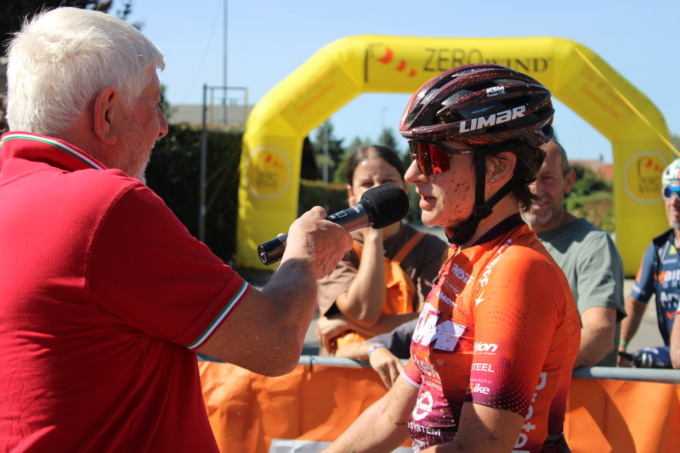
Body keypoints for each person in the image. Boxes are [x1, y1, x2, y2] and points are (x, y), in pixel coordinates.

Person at [0, 8, 352, 451]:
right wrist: (303, 254)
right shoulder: (106, 205)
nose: (163, 126)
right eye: (154, 103)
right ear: (106, 112)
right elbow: (275, 342)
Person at [325, 63, 581, 453]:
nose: (412, 174)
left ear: (497, 168)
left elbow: (479, 448)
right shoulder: (464, 259)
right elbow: (392, 415)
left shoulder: (516, 269)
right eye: (414, 153)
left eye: (433, 156)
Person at [316, 145, 448, 355]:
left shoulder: (432, 249)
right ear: (351, 194)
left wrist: (347, 323)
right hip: (341, 371)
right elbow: (364, 312)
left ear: (403, 189)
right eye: (367, 184)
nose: (376, 191)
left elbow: (431, 324)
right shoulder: (333, 248)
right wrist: (373, 235)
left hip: (404, 370)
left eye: (387, 182)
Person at [522, 138, 626, 368]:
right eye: (527, 178)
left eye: (547, 178)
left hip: (571, 391)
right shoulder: (505, 243)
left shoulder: (593, 246)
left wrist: (529, 373)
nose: (535, 189)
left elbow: (599, 333)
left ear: (568, 182)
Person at [618, 158, 680, 368]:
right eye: (668, 192)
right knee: (637, 360)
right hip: (674, 355)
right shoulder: (659, 250)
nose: (674, 202)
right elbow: (636, 302)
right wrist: (621, 346)